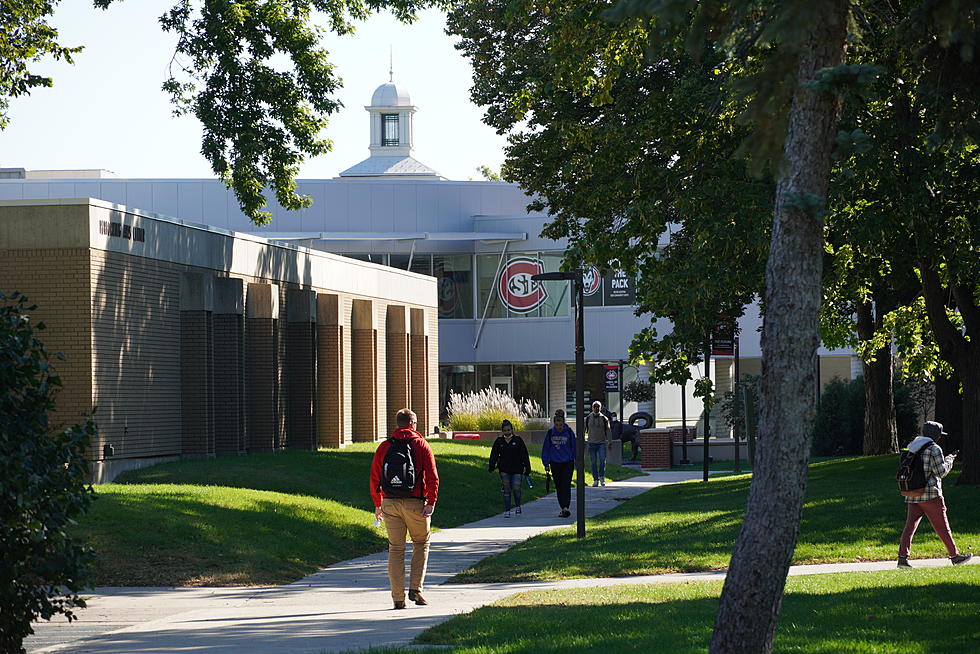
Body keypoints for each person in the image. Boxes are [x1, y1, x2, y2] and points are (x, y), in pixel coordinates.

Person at [370, 408, 440, 609]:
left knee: (396, 548)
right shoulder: (421, 445)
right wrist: (431, 502)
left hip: (390, 503)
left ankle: (398, 598)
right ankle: (416, 590)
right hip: (415, 503)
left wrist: (377, 504)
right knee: (421, 543)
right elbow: (432, 476)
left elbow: (375, 476)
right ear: (413, 424)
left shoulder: (384, 446)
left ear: (397, 423)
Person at [897, 421, 972, 568]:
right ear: (936, 435)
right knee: (942, 527)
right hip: (930, 494)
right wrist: (949, 460)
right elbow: (941, 472)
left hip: (913, 492)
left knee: (910, 526)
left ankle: (902, 558)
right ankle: (955, 556)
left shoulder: (913, 445)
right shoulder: (934, 448)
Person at [488, 419, 532, 517]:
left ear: (512, 430)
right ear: (502, 431)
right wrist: (491, 466)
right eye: (505, 430)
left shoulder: (518, 440)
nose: (507, 432)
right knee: (507, 489)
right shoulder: (499, 441)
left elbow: (524, 454)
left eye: (509, 430)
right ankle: (507, 510)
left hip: (517, 468)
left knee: (516, 488)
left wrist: (527, 468)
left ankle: (517, 506)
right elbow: (494, 455)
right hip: (504, 469)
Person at [542, 409, 576, 518]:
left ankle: (566, 507)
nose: (558, 427)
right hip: (555, 463)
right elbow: (546, 448)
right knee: (559, 486)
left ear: (564, 423)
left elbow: (574, 447)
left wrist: (574, 459)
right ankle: (563, 507)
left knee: (566, 485)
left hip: (567, 462)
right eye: (556, 425)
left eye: (560, 425)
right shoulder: (550, 433)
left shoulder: (569, 432)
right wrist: (546, 463)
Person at [585, 401, 612, 486]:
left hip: (602, 443)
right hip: (591, 443)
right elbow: (583, 430)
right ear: (592, 407)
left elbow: (608, 430)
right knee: (593, 462)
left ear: (601, 408)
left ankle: (601, 477)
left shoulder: (604, 418)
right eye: (595, 406)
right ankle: (595, 479)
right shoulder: (588, 418)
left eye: (598, 406)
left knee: (602, 460)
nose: (596, 408)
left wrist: (610, 441)